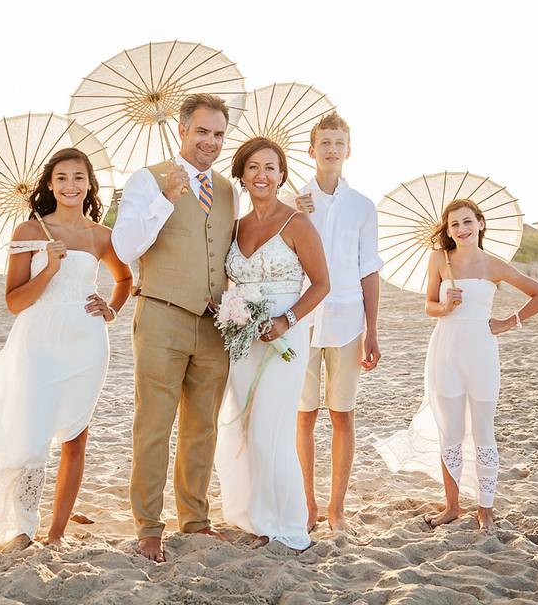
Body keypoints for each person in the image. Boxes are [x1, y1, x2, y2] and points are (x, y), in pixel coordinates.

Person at [0, 148, 132, 550]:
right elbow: (14, 302)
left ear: (90, 183)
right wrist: (51, 267)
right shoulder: (29, 232)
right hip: (37, 342)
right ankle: (22, 528)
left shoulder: (100, 235)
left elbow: (125, 280)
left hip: (86, 343)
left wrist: (111, 309)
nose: (70, 185)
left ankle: (55, 534)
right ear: (50, 184)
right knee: (32, 433)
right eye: (62, 178)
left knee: (75, 438)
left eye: (78, 177)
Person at [112, 93, 238, 563]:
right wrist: (166, 199)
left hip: (215, 323)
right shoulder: (146, 180)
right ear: (183, 130)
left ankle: (196, 519)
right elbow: (125, 248)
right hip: (162, 313)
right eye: (202, 131)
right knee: (153, 425)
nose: (210, 141)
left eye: (219, 134)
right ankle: (147, 526)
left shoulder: (228, 190)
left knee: (202, 427)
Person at [375, 199, 538, 532]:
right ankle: (452, 506)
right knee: (451, 432)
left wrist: (507, 322)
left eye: (468, 222)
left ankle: (485, 509)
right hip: (445, 350)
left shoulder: (494, 265)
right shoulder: (439, 260)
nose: (462, 229)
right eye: (455, 224)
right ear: (448, 230)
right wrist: (444, 306)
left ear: (481, 224)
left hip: (482, 351)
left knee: (483, 431)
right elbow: (428, 306)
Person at [215, 137, 330, 550]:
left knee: (270, 430)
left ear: (282, 175)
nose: (262, 175)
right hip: (242, 336)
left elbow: (321, 284)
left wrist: (287, 320)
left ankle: (287, 522)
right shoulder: (236, 226)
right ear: (242, 175)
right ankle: (254, 517)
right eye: (253, 167)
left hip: (286, 337)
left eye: (270, 167)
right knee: (243, 427)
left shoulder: (297, 223)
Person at [294, 112, 383, 533]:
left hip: (348, 321)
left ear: (349, 150)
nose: (331, 149)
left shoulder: (362, 206)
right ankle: (308, 505)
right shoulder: (293, 201)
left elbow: (369, 269)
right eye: (324, 142)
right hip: (302, 320)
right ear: (311, 151)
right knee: (304, 414)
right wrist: (296, 216)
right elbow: (280, 261)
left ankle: (337, 509)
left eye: (338, 142)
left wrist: (372, 330)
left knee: (341, 414)